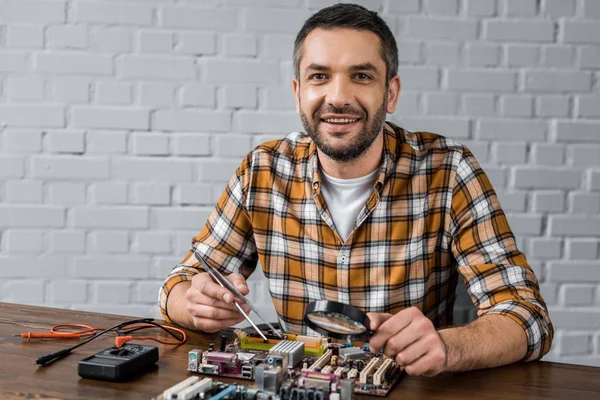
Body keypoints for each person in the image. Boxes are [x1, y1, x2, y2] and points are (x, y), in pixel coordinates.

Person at [159, 3, 553, 377]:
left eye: (361, 76)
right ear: (298, 92)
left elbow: (527, 316)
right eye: (319, 76)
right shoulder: (262, 171)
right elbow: (178, 284)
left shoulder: (448, 172)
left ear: (391, 92)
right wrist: (194, 303)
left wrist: (448, 347)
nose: (339, 97)